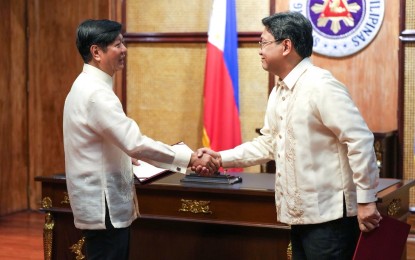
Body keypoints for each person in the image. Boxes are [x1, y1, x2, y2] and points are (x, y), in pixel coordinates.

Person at [195, 11, 381, 259]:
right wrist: (219, 157)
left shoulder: (320, 85)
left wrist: (366, 200)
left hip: (330, 219)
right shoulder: (280, 89)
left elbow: (359, 139)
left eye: (263, 43)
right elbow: (267, 144)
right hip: (300, 216)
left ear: (286, 46)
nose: (259, 50)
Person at [63, 19, 219, 260]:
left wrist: (128, 155)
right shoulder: (95, 94)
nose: (125, 49)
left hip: (100, 203)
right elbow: (134, 142)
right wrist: (189, 158)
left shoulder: (86, 85)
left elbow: (109, 143)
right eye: (117, 44)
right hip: (105, 207)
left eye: (123, 43)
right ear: (96, 52)